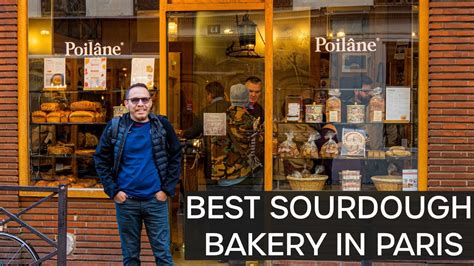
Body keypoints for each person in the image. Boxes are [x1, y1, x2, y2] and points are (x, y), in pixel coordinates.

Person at [94, 83, 182, 265]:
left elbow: (176, 155)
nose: (140, 104)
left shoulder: (162, 125)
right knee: (131, 257)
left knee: (163, 256)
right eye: (135, 100)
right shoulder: (115, 126)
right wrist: (113, 191)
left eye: (145, 99)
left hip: (155, 201)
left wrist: (166, 190)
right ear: (126, 103)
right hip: (127, 202)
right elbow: (100, 159)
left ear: (151, 102)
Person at [210, 84, 263, 187]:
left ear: (229, 98)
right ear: (247, 98)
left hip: (221, 175)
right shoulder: (251, 121)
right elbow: (258, 147)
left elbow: (212, 145)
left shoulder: (217, 119)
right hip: (242, 175)